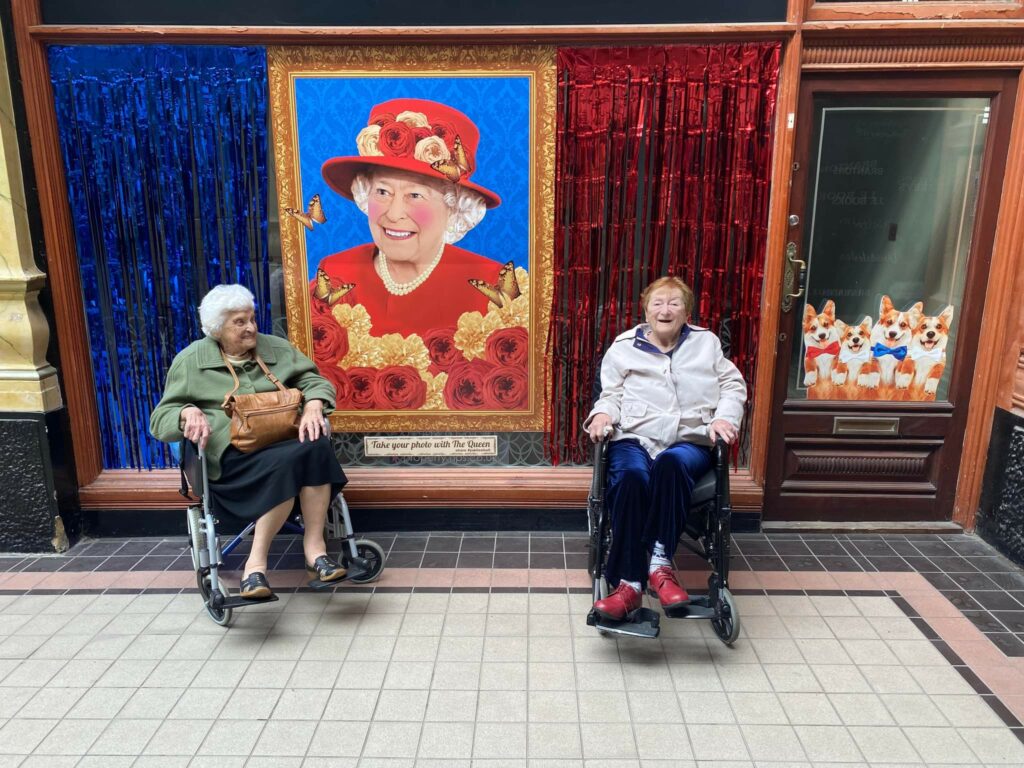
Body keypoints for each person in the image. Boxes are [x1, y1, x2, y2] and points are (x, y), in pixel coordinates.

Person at [150, 284, 349, 599]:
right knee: (292, 462)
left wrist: (314, 404)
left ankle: (315, 549)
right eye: (239, 322)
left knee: (316, 446)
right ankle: (255, 565)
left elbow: (314, 381)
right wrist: (186, 412)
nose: (251, 328)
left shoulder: (276, 348)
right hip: (233, 465)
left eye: (252, 318)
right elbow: (159, 420)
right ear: (217, 329)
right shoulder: (191, 361)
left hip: (285, 445)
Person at [584, 276, 747, 621]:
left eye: (674, 303)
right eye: (658, 303)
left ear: (687, 312)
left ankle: (659, 565)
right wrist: (601, 414)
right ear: (646, 311)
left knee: (671, 464)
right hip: (635, 436)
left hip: (689, 437)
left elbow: (732, 385)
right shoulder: (624, 346)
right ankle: (628, 584)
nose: (665, 309)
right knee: (630, 477)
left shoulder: (706, 343)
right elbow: (610, 395)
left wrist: (724, 418)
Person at [314, 97, 507, 337]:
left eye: (415, 195)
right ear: (365, 195)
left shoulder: (491, 284)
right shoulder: (334, 271)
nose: (394, 214)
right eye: (382, 192)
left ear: (454, 208)